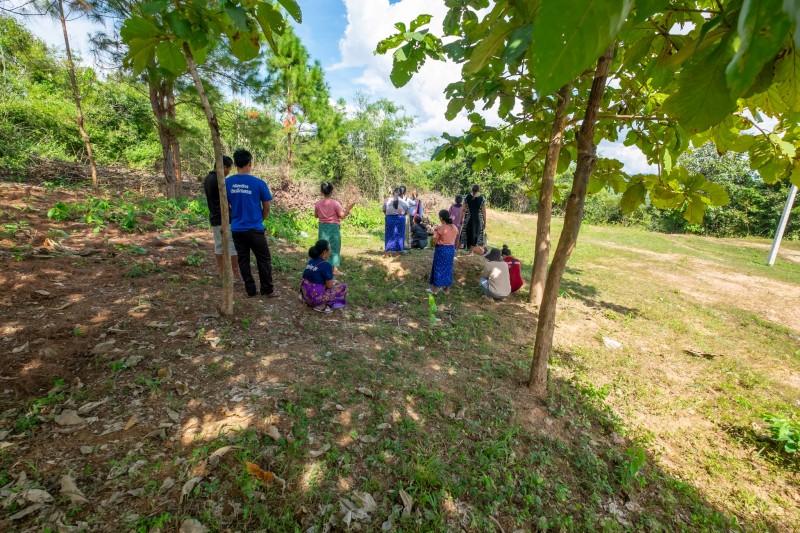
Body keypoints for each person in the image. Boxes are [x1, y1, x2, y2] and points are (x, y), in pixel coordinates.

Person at [225, 148, 278, 298]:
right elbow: (267, 207)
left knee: (243, 259)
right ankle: (267, 289)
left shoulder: (227, 183)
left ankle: (250, 289)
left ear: (235, 164)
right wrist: (259, 219)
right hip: (255, 228)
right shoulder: (259, 183)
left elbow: (225, 204)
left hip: (237, 228)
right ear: (250, 163)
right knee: (264, 259)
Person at [203, 156, 243, 282]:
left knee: (219, 245)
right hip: (224, 218)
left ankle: (222, 273)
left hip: (214, 218)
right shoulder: (220, 181)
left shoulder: (208, 178)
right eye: (229, 168)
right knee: (232, 246)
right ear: (224, 167)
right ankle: (236, 275)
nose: (229, 171)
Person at [300, 239, 347, 313]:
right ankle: (321, 305)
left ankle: (314, 300)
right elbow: (329, 286)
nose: (330, 252)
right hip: (315, 299)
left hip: (305, 295)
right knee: (343, 286)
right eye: (329, 250)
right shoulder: (326, 265)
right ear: (325, 252)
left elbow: (315, 277)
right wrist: (334, 283)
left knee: (332, 283)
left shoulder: (311, 261)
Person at [315, 181, 352, 275]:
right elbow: (342, 215)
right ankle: (335, 269)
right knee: (335, 247)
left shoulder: (318, 203)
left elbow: (316, 215)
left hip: (322, 227)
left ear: (321, 191)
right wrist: (349, 208)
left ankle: (321, 266)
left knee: (323, 247)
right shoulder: (335, 203)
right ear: (332, 191)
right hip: (333, 228)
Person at [428, 209, 459, 294]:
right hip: (451, 249)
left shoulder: (441, 228)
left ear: (441, 218)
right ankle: (446, 290)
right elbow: (457, 234)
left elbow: (434, 239)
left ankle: (435, 290)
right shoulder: (454, 227)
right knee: (448, 268)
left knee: (438, 267)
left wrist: (434, 244)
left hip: (442, 249)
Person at [459, 184, 487, 254]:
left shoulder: (467, 197)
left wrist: (461, 220)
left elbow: (463, 210)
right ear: (479, 190)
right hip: (478, 220)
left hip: (468, 219)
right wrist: (485, 222)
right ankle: (470, 252)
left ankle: (457, 250)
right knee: (476, 235)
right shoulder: (482, 199)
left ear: (472, 189)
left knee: (464, 234)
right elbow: (484, 212)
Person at [383, 188, 408, 255]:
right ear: (402, 194)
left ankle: (386, 253)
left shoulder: (387, 200)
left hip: (389, 218)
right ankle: (397, 253)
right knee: (399, 235)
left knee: (389, 235)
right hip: (400, 219)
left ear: (393, 193)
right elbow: (406, 212)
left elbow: (384, 210)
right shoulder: (404, 202)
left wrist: (389, 216)